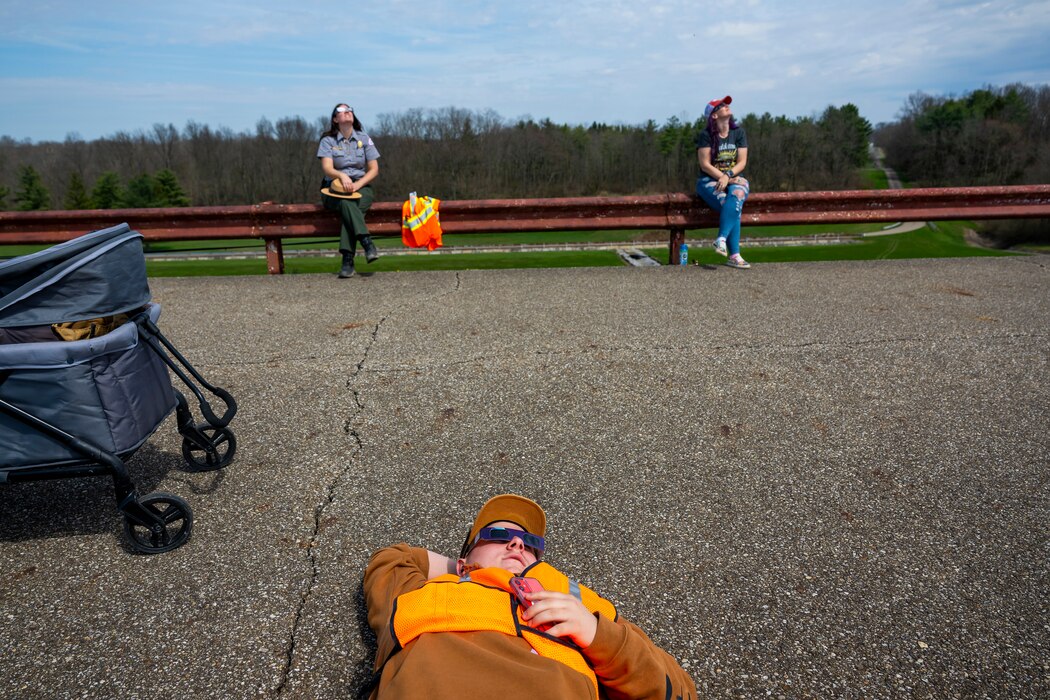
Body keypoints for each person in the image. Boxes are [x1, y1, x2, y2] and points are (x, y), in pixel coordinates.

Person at [363, 494, 697, 699]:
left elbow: (677, 690)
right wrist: (466, 570)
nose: (517, 543)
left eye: (530, 543)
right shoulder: (420, 594)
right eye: (497, 534)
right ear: (465, 558)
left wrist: (597, 636)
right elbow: (392, 558)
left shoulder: (581, 605)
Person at [317, 103, 381, 278]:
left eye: (349, 110)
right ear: (335, 119)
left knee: (349, 210)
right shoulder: (327, 141)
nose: (347, 113)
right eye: (341, 111)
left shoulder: (364, 138)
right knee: (346, 202)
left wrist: (358, 185)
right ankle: (366, 242)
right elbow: (327, 168)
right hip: (333, 188)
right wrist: (341, 176)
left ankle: (347, 260)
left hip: (360, 186)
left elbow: (374, 169)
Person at [695, 95, 751, 269]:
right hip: (709, 180)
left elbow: (742, 162)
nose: (727, 106)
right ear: (714, 115)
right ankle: (734, 255)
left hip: (732, 177)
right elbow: (704, 165)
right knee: (732, 205)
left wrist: (728, 176)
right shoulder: (705, 136)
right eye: (721, 105)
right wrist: (723, 177)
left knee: (738, 193)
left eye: (727, 104)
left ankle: (721, 239)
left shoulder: (738, 133)